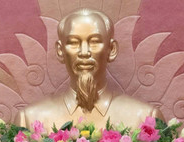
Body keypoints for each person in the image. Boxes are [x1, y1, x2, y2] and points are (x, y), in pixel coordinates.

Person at [17, 8, 163, 129]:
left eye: (94, 42)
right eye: (73, 43)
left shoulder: (146, 119)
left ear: (111, 49)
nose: (84, 52)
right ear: (60, 51)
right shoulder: (29, 120)